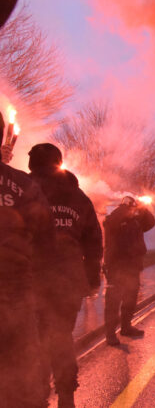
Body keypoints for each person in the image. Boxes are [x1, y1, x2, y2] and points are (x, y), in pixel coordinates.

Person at [28, 144, 103, 407]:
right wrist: (93, 278)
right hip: (69, 280)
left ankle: (36, 394)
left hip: (30, 278)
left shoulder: (21, 189)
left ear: (32, 164)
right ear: (58, 162)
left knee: (32, 340)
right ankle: (66, 394)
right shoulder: (79, 197)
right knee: (60, 335)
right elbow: (94, 242)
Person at [0, 115, 55, 407]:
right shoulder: (22, 183)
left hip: (15, 294)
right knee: (22, 382)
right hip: (15, 295)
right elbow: (45, 239)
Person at [103, 196, 155, 346]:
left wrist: (143, 208)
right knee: (113, 301)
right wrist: (127, 207)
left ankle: (126, 327)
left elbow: (151, 222)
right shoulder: (115, 217)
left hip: (133, 266)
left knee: (130, 299)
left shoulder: (135, 220)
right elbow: (113, 222)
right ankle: (110, 334)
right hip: (117, 266)